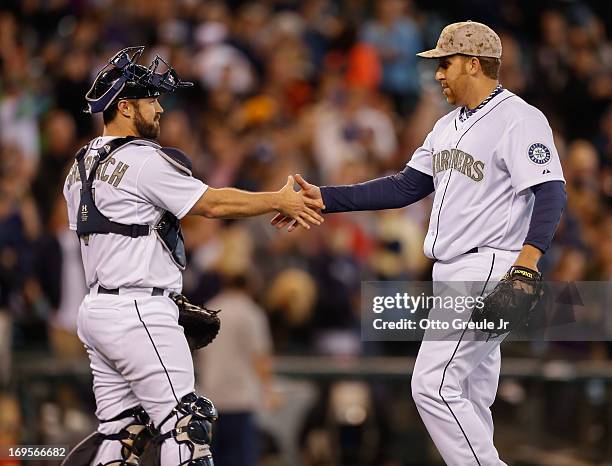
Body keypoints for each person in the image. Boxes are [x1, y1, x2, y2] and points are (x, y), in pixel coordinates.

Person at [273, 21, 567, 465]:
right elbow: (405, 186)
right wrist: (327, 198)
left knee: (431, 385)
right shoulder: (447, 125)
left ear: (473, 63)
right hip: (454, 270)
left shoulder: (519, 118)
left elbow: (551, 190)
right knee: (469, 395)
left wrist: (528, 263)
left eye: (445, 63)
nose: (438, 74)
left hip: (487, 266)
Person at [61, 46, 323, 466]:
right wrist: (278, 199)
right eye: (151, 99)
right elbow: (213, 204)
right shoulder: (142, 158)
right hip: (137, 309)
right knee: (186, 423)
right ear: (125, 108)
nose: (160, 108)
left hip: (97, 310)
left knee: (120, 435)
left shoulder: (80, 164)